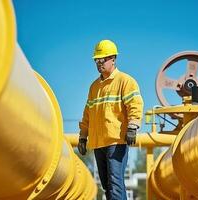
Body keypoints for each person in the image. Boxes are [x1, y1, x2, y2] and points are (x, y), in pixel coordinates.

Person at [78, 39, 143, 200]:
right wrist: (82, 136)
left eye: (103, 59)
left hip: (116, 141)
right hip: (99, 142)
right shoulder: (94, 87)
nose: (99, 63)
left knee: (115, 183)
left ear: (113, 59)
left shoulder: (125, 81)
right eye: (96, 60)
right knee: (107, 186)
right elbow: (87, 114)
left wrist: (132, 126)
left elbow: (135, 104)